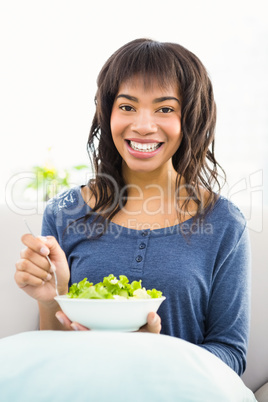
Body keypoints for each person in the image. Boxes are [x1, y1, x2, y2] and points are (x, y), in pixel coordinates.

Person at [15, 38, 251, 376]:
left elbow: (231, 353)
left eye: (165, 108)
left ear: (191, 118)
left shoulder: (225, 223)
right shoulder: (65, 212)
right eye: (127, 106)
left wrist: (157, 356)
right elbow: (54, 354)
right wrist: (51, 298)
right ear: (107, 112)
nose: (142, 125)